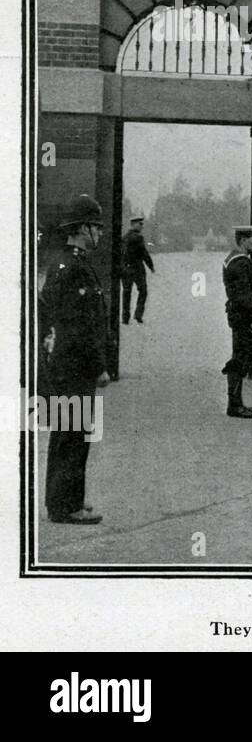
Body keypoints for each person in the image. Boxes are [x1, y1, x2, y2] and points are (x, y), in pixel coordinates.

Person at [39, 194, 109, 524]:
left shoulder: (66, 264)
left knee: (70, 433)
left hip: (66, 364)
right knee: (73, 435)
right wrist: (99, 367)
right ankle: (66, 506)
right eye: (96, 227)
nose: (100, 233)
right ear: (82, 228)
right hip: (75, 365)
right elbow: (80, 327)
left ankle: (63, 501)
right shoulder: (74, 268)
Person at [220, 224, 252, 418]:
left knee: (240, 357)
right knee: (241, 358)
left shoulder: (234, 259)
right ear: (243, 241)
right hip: (244, 318)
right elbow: (244, 297)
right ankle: (234, 405)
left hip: (238, 316)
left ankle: (236, 403)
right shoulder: (240, 263)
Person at [120, 213, 154, 325]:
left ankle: (125, 318)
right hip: (137, 269)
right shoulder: (138, 238)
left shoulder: (124, 238)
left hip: (125, 269)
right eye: (140, 224)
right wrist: (151, 266)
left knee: (126, 293)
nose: (141, 226)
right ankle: (138, 315)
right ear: (134, 224)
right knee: (143, 291)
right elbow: (144, 253)